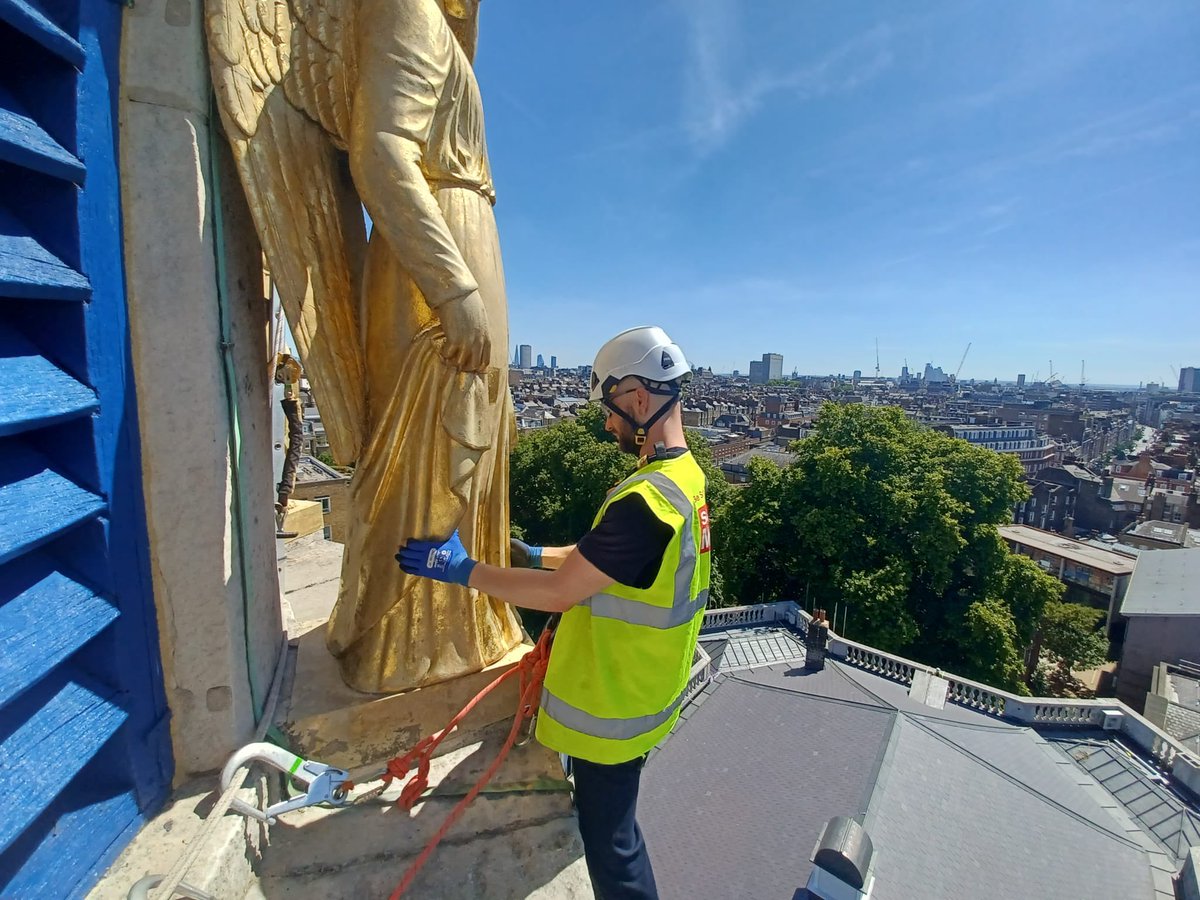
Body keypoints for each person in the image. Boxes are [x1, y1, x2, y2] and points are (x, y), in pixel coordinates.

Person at [398, 326, 713, 899]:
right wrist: (532, 554)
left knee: (612, 844)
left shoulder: (647, 503)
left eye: (611, 407)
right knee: (612, 826)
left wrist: (464, 572)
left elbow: (562, 593)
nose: (607, 422)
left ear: (640, 398)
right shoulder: (681, 481)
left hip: (614, 706)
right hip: (644, 691)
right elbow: (604, 562)